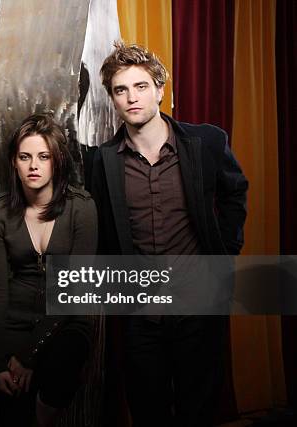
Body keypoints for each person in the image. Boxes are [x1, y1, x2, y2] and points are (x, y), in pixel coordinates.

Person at [84, 41, 248, 426]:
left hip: (198, 303)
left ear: (160, 89)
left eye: (141, 86)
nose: (132, 97)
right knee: (148, 411)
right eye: (121, 90)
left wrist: (226, 254)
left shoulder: (205, 142)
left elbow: (234, 191)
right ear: (112, 99)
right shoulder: (102, 161)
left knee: (200, 409)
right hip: (140, 313)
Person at [0, 113, 98, 427]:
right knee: (11, 411)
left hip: (68, 322)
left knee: (62, 359)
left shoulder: (81, 207)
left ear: (57, 161)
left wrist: (28, 355)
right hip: (15, 321)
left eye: (43, 156)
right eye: (25, 156)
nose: (34, 165)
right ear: (14, 162)